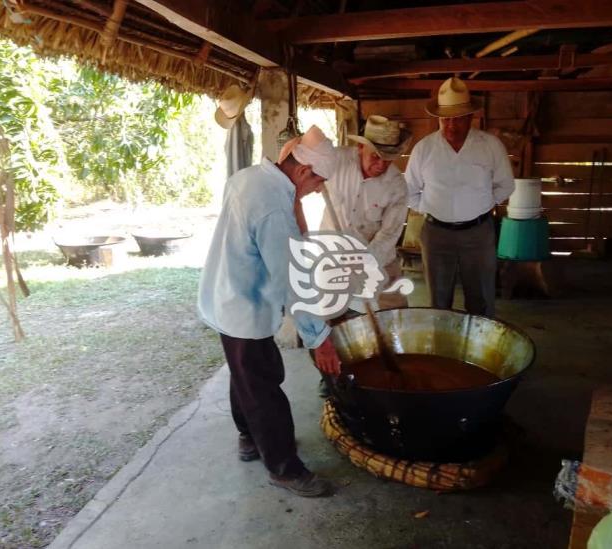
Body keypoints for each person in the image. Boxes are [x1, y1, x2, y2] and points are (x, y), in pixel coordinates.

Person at [198, 126, 341, 498]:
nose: (318, 190)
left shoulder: (248, 177)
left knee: (243, 374)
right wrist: (319, 338)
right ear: (304, 172)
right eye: (319, 182)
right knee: (263, 385)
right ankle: (284, 468)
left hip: (227, 293)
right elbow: (293, 280)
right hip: (244, 304)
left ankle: (248, 437)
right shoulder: (274, 207)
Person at [313, 115, 410, 397]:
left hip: (378, 257)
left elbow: (389, 234)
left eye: (388, 159)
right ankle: (331, 377)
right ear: (360, 148)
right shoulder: (335, 162)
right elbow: (299, 162)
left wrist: (364, 262)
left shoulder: (396, 186)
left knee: (391, 314)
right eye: (375, 157)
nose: (380, 165)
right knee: (331, 319)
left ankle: (388, 373)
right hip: (332, 254)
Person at [405, 77, 514, 317]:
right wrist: (433, 209)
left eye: (458, 118)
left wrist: (480, 205)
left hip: (478, 233)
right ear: (439, 119)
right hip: (436, 234)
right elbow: (409, 190)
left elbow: (505, 185)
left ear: (470, 117)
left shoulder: (490, 146)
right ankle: (445, 350)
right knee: (439, 302)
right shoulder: (424, 149)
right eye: (446, 119)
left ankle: (478, 350)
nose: (451, 125)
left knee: (481, 301)